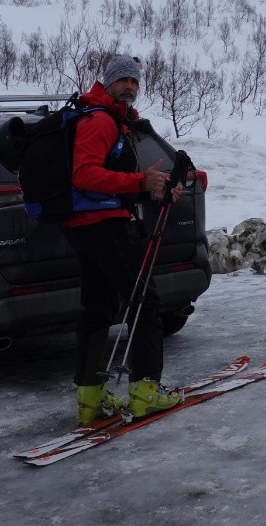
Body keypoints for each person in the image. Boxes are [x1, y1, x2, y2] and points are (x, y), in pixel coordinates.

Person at [65, 54, 180, 425]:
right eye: (123, 81)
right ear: (108, 83)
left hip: (89, 225)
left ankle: (91, 399)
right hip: (105, 226)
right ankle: (146, 391)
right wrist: (137, 183)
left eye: (134, 81)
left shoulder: (113, 120)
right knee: (145, 302)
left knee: (96, 309)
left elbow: (113, 181)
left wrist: (151, 189)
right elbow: (85, 175)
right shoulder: (99, 120)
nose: (129, 86)